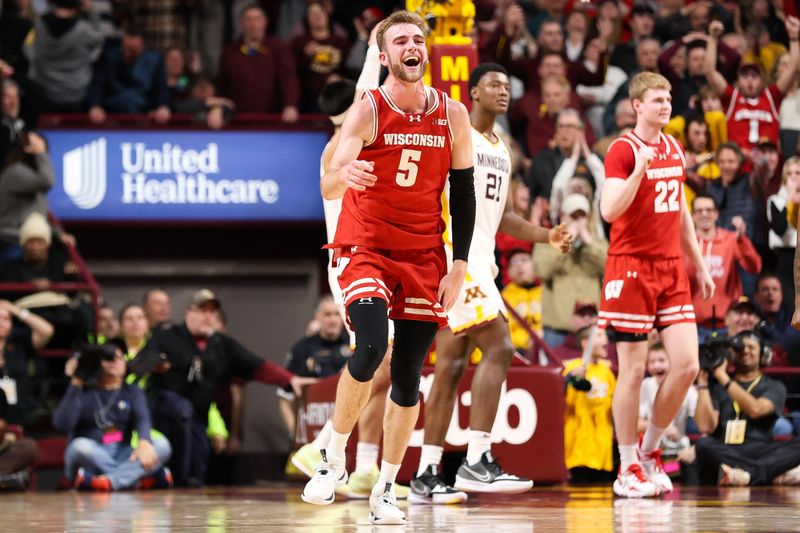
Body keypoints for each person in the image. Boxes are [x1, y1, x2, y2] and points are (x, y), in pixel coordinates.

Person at [302, 11, 475, 526]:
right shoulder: (367, 108)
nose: (411, 45)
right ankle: (333, 457)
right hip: (366, 247)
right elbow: (328, 186)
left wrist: (460, 264)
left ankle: (385, 487)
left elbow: (462, 194)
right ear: (384, 57)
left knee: (407, 378)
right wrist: (342, 174)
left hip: (425, 255)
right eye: (400, 39)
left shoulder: (453, 115)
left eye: (418, 38)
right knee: (373, 344)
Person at [411, 63, 570, 504]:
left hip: (480, 258)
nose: (502, 91)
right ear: (473, 91)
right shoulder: (453, 133)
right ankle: (477, 459)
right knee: (500, 345)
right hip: (451, 256)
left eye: (507, 86)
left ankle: (426, 471)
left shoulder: (503, 150)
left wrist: (547, 235)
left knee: (450, 367)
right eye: (494, 85)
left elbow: (502, 216)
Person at [291, 32, 411, 502]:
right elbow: (367, 85)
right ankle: (321, 448)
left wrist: (374, 50)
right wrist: (374, 50)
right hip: (351, 260)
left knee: (387, 363)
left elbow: (365, 85)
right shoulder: (343, 143)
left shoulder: (353, 135)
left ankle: (364, 467)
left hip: (377, 256)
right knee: (376, 358)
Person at [599, 71, 715, 498]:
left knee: (687, 365)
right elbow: (609, 209)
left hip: (670, 268)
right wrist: (638, 174)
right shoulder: (623, 150)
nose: (665, 105)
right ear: (637, 106)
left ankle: (649, 453)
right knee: (631, 371)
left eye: (668, 98)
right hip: (630, 267)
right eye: (656, 99)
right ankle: (627, 464)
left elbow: (680, 208)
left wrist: (698, 263)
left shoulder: (674, 146)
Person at [147, 289, 315, 487]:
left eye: (212, 312)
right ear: (188, 313)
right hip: (165, 415)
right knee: (181, 414)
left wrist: (290, 379)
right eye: (202, 310)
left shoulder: (222, 345)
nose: (208, 316)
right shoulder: (166, 336)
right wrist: (155, 364)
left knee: (196, 471)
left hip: (198, 419)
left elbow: (257, 365)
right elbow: (141, 363)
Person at [54, 342, 173, 491]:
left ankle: (107, 482)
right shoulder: (84, 391)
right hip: (93, 452)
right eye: (109, 358)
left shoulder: (132, 391)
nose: (115, 362)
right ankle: (137, 478)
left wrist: (144, 441)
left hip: (123, 452)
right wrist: (75, 382)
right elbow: (61, 423)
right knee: (79, 446)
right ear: (98, 363)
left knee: (162, 444)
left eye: (119, 358)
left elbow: (143, 418)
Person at [694, 330, 800, 486]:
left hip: (761, 450)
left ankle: (748, 475)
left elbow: (755, 410)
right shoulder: (716, 385)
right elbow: (705, 426)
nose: (745, 351)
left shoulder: (774, 386)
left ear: (763, 353)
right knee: (703, 444)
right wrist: (703, 381)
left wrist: (723, 377)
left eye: (751, 347)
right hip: (727, 450)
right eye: (740, 348)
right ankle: (765, 474)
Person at [704, 17, 800, 157]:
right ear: (738, 80)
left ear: (762, 80)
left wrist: (793, 38)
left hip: (768, 166)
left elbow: (792, 69)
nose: (750, 81)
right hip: (738, 166)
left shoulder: (771, 96)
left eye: (754, 76)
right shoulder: (732, 97)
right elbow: (710, 72)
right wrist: (712, 39)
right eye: (745, 76)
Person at [686, 193, 761, 341]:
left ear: (716, 214)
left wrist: (742, 240)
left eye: (709, 210)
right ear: (692, 216)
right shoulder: (685, 245)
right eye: (699, 211)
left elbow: (755, 267)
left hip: (727, 326)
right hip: (693, 326)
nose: (704, 214)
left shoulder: (731, 240)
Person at [218, 4, 299, 122]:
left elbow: (288, 79)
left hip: (272, 119)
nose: (253, 24)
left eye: (257, 19)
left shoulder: (279, 47)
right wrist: (220, 108)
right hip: (238, 121)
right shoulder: (230, 51)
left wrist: (290, 104)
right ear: (242, 23)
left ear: (265, 22)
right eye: (249, 19)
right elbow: (223, 86)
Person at [638, 342, 698, 484]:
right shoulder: (646, 385)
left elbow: (704, 427)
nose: (656, 366)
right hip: (652, 454)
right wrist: (663, 428)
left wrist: (695, 449)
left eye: (661, 361)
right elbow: (636, 425)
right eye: (652, 361)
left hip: (680, 453)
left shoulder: (688, 388)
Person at [86, 24, 171, 124]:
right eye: (126, 49)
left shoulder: (154, 59)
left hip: (144, 114)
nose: (128, 54)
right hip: (112, 114)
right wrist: (95, 106)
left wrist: (163, 106)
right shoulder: (109, 57)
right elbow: (97, 83)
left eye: (133, 51)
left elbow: (161, 86)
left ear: (142, 47)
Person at [562, 326, 616, 484]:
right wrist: (571, 378)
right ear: (585, 343)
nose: (605, 339)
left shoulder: (607, 373)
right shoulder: (573, 368)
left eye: (605, 335)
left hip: (603, 450)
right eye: (599, 335)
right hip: (579, 449)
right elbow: (559, 390)